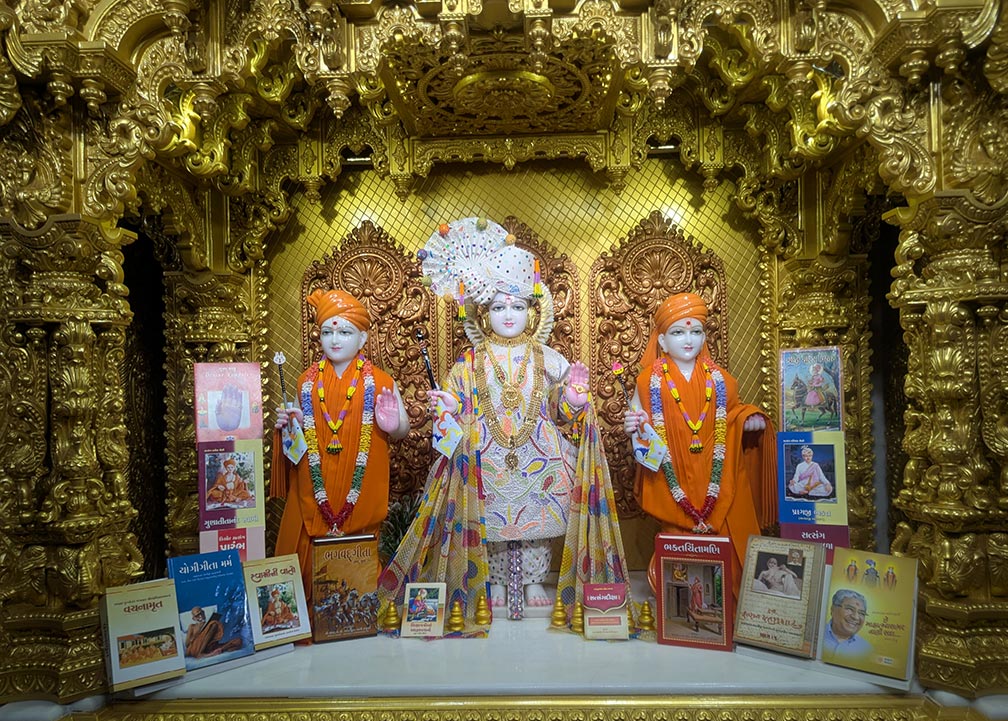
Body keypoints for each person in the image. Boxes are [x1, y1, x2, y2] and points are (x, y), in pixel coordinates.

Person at [379, 217, 632, 627]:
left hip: (537, 451)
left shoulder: (547, 358)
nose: (508, 314)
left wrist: (569, 397)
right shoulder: (470, 361)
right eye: (498, 307)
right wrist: (449, 406)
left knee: (533, 518)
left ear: (533, 312)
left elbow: (561, 413)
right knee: (491, 517)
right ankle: (493, 581)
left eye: (517, 306)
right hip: (488, 452)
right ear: (482, 315)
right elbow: (457, 406)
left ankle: (534, 579)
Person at [624, 293, 776, 595]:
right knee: (676, 534)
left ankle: (726, 592)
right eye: (678, 332)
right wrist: (632, 428)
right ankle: (679, 598)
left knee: (722, 534)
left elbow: (731, 415)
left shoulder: (722, 380)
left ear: (705, 337)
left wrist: (748, 419)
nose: (688, 340)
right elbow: (638, 428)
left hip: (713, 473)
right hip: (671, 473)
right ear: (663, 341)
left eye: (696, 332)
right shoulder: (647, 382)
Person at [271, 289, 410, 602]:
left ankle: (356, 608)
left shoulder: (382, 382)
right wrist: (287, 426)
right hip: (315, 478)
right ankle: (311, 604)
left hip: (361, 479)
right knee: (310, 531)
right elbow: (296, 437)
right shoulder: (306, 382)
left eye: (345, 332)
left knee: (359, 537)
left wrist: (393, 424)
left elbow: (402, 430)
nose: (335, 339)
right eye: (327, 332)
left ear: (362, 339)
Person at [822, 589, 871, 658]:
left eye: (861, 613)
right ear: (833, 609)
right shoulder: (816, 634)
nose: (855, 617)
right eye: (849, 609)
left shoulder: (866, 649)